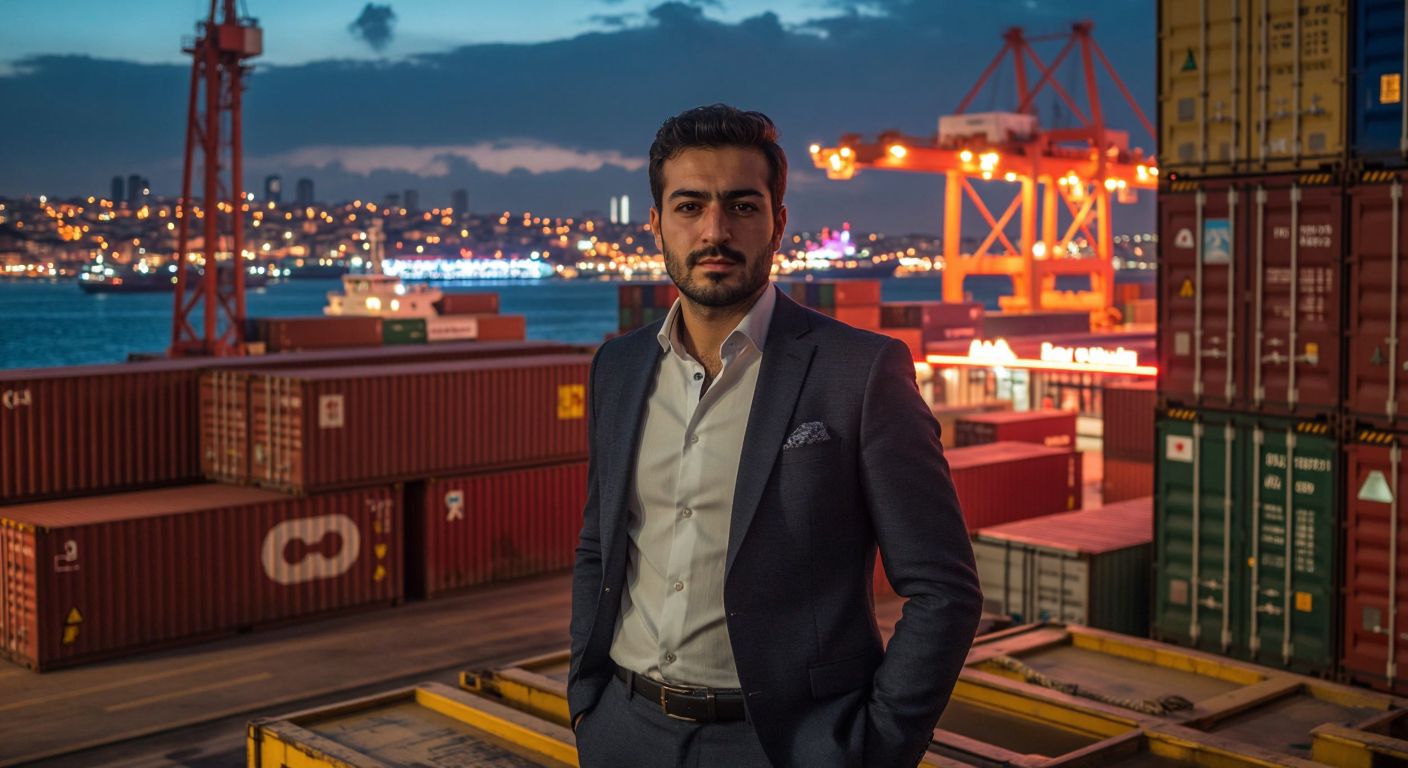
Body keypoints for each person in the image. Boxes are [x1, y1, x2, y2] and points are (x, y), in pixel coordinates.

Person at [568, 104, 982, 768]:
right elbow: (599, 546)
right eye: (689, 207)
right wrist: (587, 703)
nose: (715, 231)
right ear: (655, 225)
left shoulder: (861, 371)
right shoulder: (616, 369)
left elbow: (945, 589)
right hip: (622, 730)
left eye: (741, 206)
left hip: (782, 747)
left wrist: (872, 750)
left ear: (778, 221)